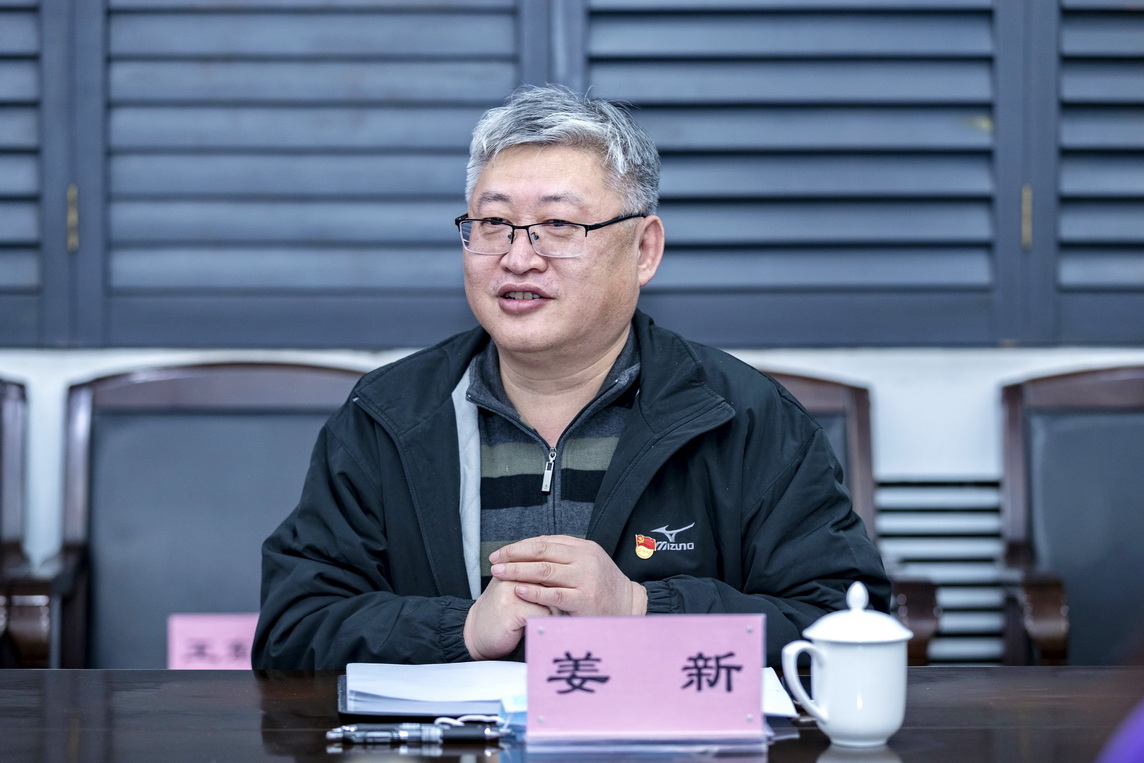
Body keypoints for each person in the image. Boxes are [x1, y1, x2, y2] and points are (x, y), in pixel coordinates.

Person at [253, 85, 890, 670]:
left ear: (643, 250)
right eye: (493, 224)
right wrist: (462, 630)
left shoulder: (743, 416)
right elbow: (292, 632)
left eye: (559, 225)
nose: (518, 257)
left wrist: (642, 611)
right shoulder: (389, 415)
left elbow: (841, 625)